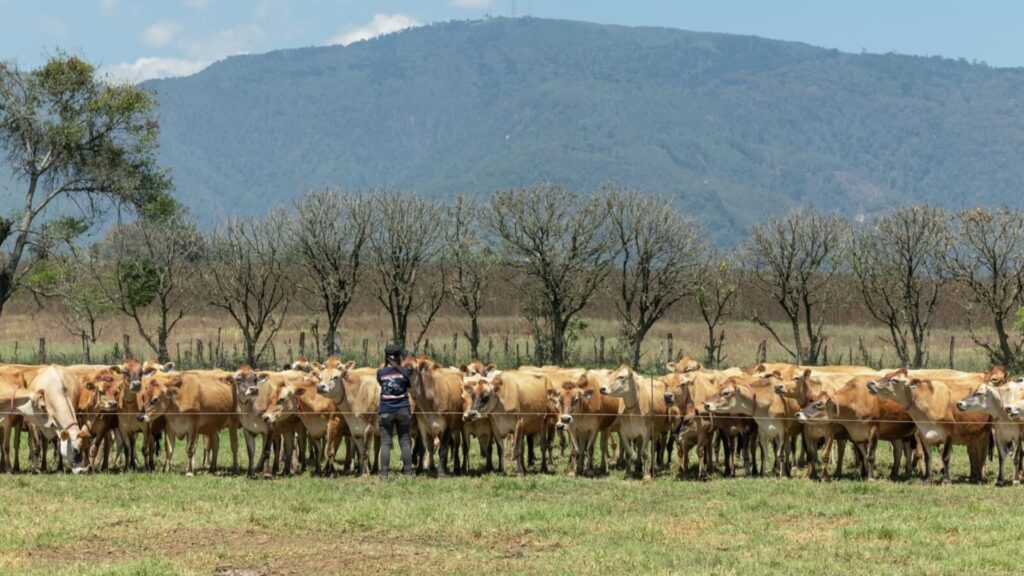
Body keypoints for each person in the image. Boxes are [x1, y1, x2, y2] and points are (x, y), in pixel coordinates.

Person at [377, 344, 413, 481]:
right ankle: (408, 474)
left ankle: (384, 475)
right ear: (399, 357)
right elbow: (408, 383)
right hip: (403, 409)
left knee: (385, 443)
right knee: (404, 442)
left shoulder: (380, 373)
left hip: (386, 410)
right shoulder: (405, 372)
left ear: (386, 357)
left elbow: (381, 384)